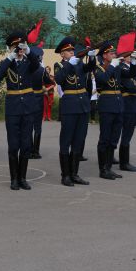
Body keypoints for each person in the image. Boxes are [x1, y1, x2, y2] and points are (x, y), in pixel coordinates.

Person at [0, 32, 39, 190]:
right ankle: (14, 179)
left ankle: (23, 178)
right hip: (13, 108)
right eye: (15, 47)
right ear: (10, 48)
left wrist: (28, 50)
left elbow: (36, 64)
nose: (18, 49)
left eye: (20, 47)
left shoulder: (28, 62)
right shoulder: (8, 63)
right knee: (14, 145)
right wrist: (10, 58)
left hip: (28, 107)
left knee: (26, 145)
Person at [54, 36, 95, 186]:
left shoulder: (78, 64)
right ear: (62, 54)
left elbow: (90, 68)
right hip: (69, 107)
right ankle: (65, 175)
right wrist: (69, 64)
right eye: (68, 50)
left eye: (72, 50)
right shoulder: (60, 65)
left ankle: (74, 174)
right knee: (66, 141)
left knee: (79, 141)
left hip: (83, 106)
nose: (72, 52)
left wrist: (92, 57)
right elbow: (59, 79)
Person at [94, 41, 125, 180]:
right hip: (106, 107)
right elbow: (104, 80)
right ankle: (103, 170)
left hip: (118, 106)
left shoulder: (116, 67)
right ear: (104, 55)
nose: (114, 55)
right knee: (104, 139)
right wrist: (112, 66)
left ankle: (109, 168)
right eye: (111, 53)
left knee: (114, 139)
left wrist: (132, 61)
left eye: (114, 53)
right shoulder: (99, 69)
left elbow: (130, 74)